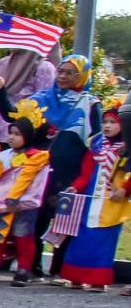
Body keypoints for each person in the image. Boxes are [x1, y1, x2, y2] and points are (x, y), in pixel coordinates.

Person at [0, 54, 100, 279]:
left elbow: (96, 140)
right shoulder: (41, 99)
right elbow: (13, 116)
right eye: (61, 71)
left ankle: (60, 270)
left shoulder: (90, 104)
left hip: (71, 170)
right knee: (35, 218)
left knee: (66, 219)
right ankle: (32, 267)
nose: (63, 76)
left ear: (83, 76)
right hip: (39, 169)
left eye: (71, 73)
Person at [55, 108, 130, 292]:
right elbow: (86, 172)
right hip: (89, 198)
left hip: (112, 201)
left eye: (113, 122)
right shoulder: (96, 144)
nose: (107, 126)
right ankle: (75, 277)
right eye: (105, 122)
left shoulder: (127, 146)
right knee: (81, 238)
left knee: (104, 239)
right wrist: (76, 186)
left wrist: (124, 190)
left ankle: (98, 280)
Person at [0, 115, 50, 286]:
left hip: (23, 204)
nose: (12, 137)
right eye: (11, 133)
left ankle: (23, 270)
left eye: (17, 134)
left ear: (28, 136)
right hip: (1, 204)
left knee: (23, 236)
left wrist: (14, 198)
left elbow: (26, 177)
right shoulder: (4, 155)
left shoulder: (38, 156)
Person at [0, 34, 59, 143]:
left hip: (22, 140)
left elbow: (44, 107)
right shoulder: (5, 63)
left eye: (17, 36)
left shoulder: (44, 68)